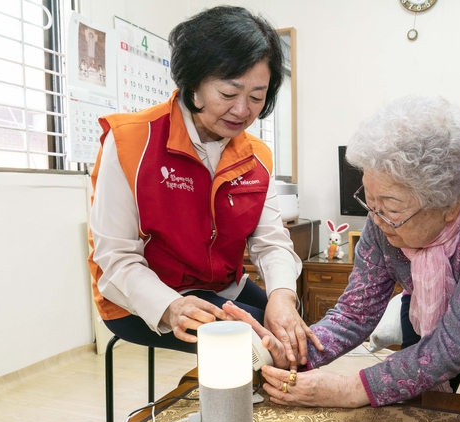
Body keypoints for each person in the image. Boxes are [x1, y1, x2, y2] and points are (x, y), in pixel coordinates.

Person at [233, 95, 460, 407]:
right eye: (369, 200)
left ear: (449, 206)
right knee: (414, 395)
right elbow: (355, 313)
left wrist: (351, 388)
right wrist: (294, 354)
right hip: (436, 299)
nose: (375, 217)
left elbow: (458, 344)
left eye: (389, 206)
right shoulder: (382, 217)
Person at [88, 6, 321, 369]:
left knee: (292, 337)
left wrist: (282, 296)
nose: (242, 111)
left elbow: (271, 242)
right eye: (229, 94)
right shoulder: (131, 141)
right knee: (260, 351)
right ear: (193, 82)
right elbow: (115, 259)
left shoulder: (256, 156)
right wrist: (170, 307)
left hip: (222, 288)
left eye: (257, 97)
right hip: (145, 296)